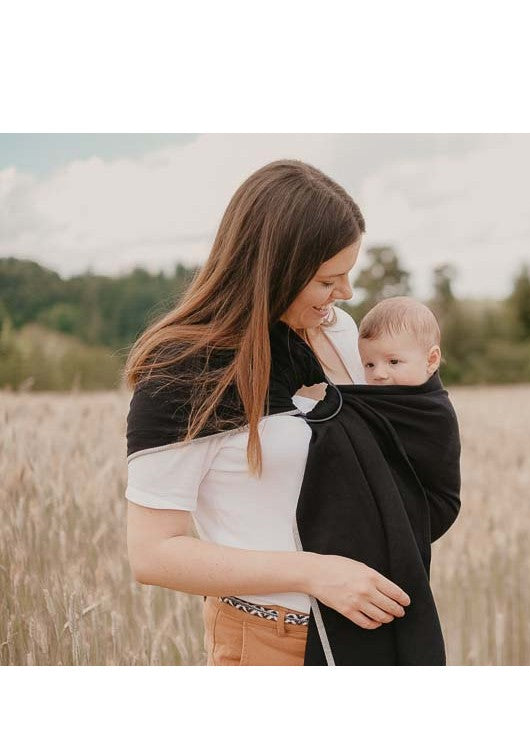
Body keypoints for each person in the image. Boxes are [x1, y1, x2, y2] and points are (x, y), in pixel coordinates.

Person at [124, 159, 411, 666]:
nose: (344, 295)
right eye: (327, 281)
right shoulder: (185, 372)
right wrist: (313, 573)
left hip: (372, 631)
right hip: (271, 640)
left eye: (348, 276)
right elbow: (153, 553)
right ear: (275, 272)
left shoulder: (340, 333)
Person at [357, 295, 443, 386]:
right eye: (370, 365)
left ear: (431, 360)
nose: (378, 374)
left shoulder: (430, 400)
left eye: (393, 362)